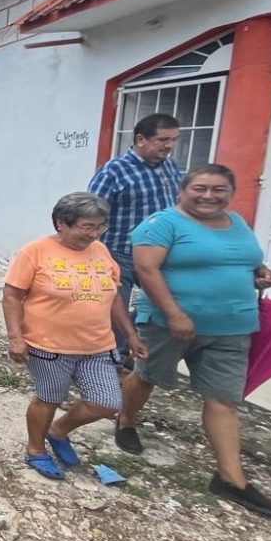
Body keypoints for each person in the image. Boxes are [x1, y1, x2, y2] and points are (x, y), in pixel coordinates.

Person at [119, 164, 271, 518]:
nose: (209, 195)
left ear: (231, 192)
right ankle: (126, 420)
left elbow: (243, 260)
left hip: (233, 325)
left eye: (219, 189)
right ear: (183, 190)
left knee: (224, 400)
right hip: (168, 323)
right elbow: (146, 269)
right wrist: (175, 314)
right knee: (148, 376)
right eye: (201, 188)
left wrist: (259, 273)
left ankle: (231, 479)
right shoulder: (162, 223)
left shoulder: (237, 223)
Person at [2, 193, 147, 481]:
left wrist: (131, 335)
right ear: (61, 224)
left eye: (99, 226)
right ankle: (35, 449)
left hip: (97, 344)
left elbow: (114, 297)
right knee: (49, 398)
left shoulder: (101, 251)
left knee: (107, 402)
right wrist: (16, 337)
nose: (93, 234)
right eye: (86, 226)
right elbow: (11, 295)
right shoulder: (35, 251)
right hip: (48, 345)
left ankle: (58, 431)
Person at [88, 113, 184, 360]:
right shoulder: (114, 171)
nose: (168, 146)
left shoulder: (170, 168)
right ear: (141, 139)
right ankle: (111, 358)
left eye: (173, 140)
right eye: (163, 139)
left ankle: (134, 347)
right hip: (120, 252)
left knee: (162, 301)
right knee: (114, 307)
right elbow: (92, 209)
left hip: (160, 252)